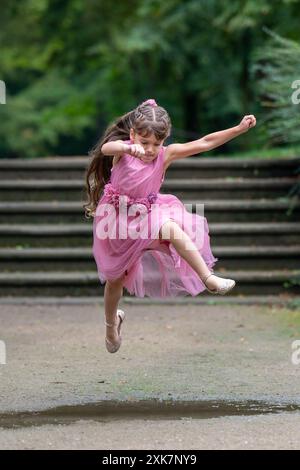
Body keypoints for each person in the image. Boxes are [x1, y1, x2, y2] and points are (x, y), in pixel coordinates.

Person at [84, 98, 256, 353]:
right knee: (115, 282)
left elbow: (204, 143)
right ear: (133, 134)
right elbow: (107, 148)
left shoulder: (165, 155)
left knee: (171, 226)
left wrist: (238, 129)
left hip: (147, 217)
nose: (151, 149)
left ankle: (208, 278)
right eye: (145, 142)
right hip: (117, 222)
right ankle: (111, 325)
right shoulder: (122, 152)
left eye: (157, 143)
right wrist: (129, 148)